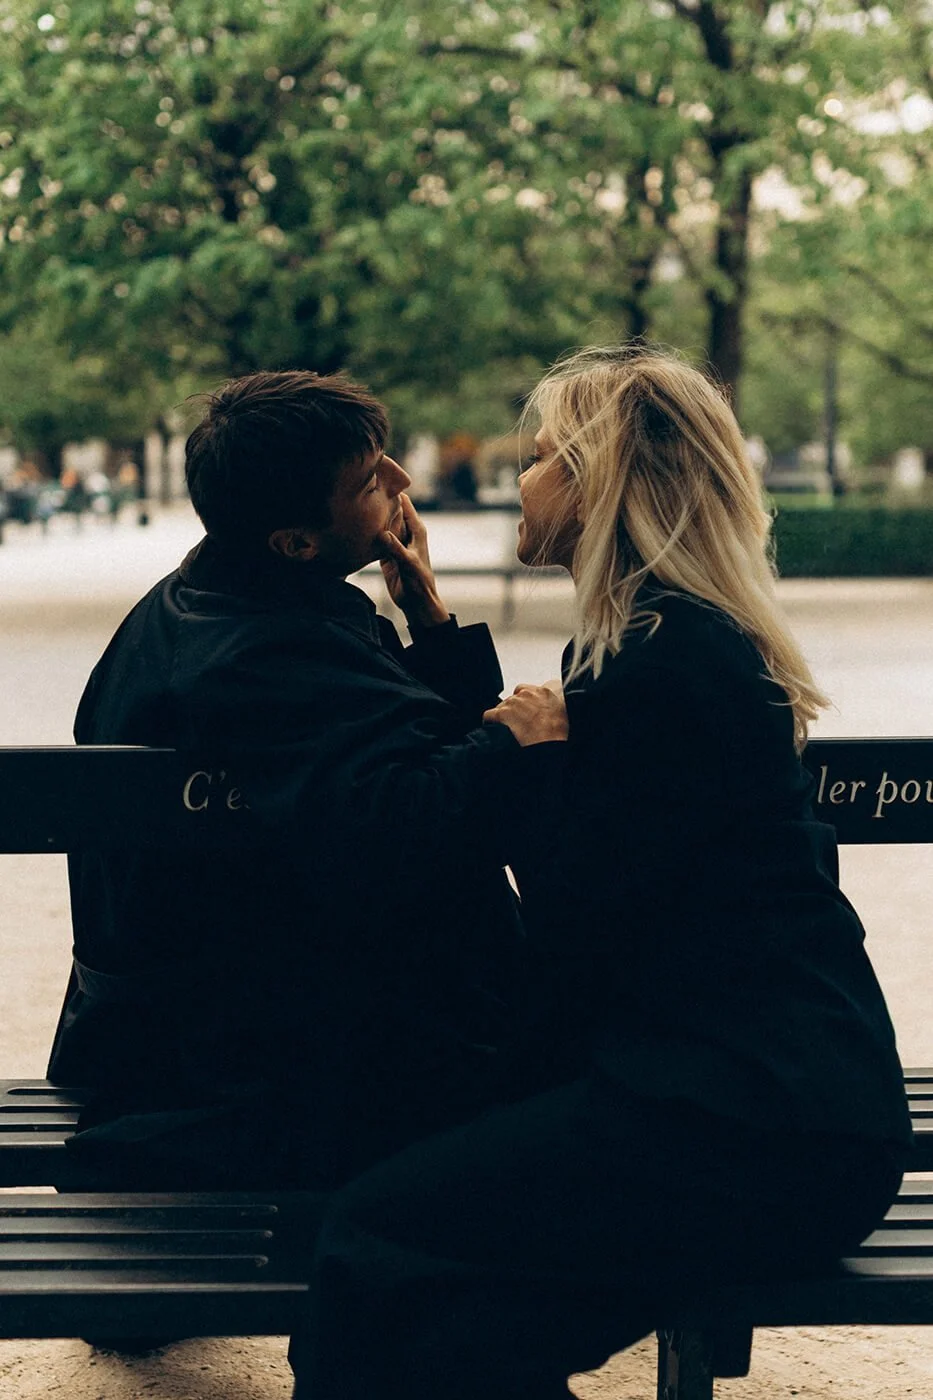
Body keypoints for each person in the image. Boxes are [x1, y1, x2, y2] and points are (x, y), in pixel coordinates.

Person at [292, 345, 913, 1400]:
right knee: (453, 1321)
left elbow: (574, 919)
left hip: (747, 1124)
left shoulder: (654, 663)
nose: (520, 478)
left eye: (540, 458)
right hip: (771, 1102)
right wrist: (439, 635)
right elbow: (599, 855)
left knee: (370, 1238)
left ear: (599, 480)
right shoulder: (670, 640)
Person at [47, 369, 566, 1192]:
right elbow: (415, 823)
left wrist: (427, 622)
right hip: (251, 1064)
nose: (400, 482)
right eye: (369, 482)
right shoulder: (267, 656)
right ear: (295, 540)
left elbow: (392, 756)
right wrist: (514, 739)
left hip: (193, 1020)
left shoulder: (212, 600)